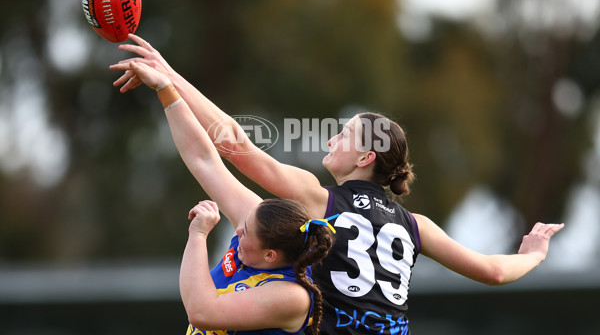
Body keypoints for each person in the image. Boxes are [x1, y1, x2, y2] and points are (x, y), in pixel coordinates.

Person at [111, 34, 565, 335]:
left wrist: (169, 79)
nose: (333, 137)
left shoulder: (318, 198)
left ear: (366, 157)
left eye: (345, 134)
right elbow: (495, 272)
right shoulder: (416, 225)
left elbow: (232, 145)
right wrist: (533, 255)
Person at [113, 59, 335, 335]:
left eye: (245, 233)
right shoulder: (260, 222)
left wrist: (198, 235)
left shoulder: (292, 296)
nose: (238, 228)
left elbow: (201, 311)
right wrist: (165, 89)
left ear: (270, 255)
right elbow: (204, 159)